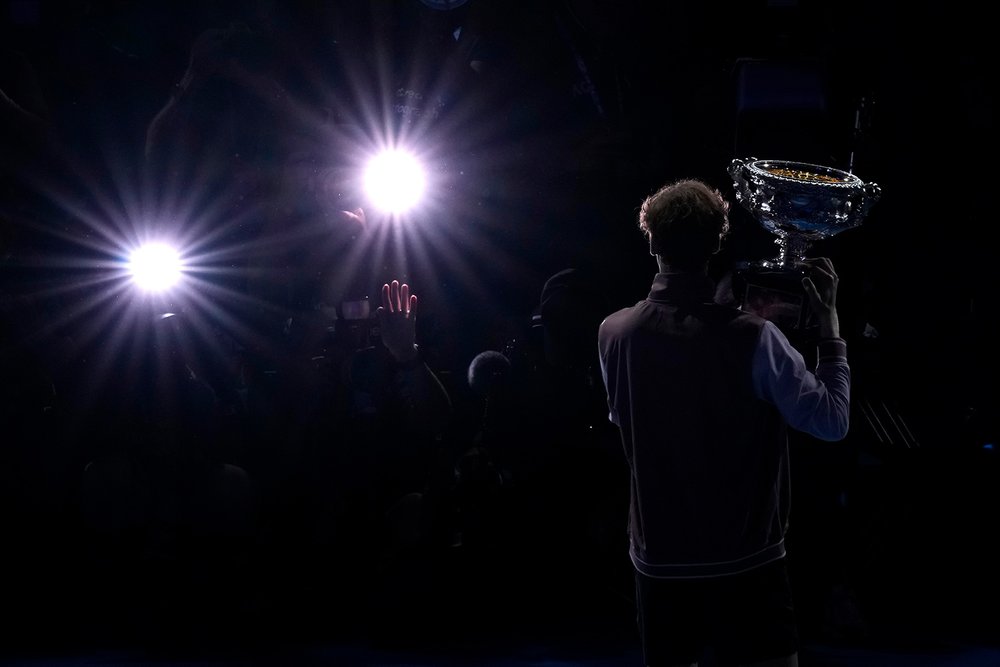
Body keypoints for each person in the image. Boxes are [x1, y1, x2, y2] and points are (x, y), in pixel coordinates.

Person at [597, 178, 850, 667]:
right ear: (719, 241)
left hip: (659, 563)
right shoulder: (756, 337)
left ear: (650, 240)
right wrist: (830, 331)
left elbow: (632, 419)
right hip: (746, 563)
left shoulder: (613, 332)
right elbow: (832, 423)